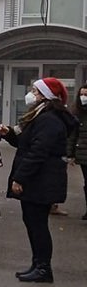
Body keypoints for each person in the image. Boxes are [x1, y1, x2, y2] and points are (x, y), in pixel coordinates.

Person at [0, 77, 77, 283]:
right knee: (32, 222)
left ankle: (43, 268)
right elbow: (27, 144)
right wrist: (9, 134)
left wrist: (19, 178)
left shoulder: (49, 119)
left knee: (38, 224)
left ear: (45, 95)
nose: (30, 93)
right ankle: (37, 264)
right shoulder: (41, 115)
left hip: (42, 180)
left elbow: (38, 152)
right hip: (40, 179)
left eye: (35, 90)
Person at [68, 83, 87, 220]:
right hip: (83, 152)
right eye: (81, 94)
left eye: (86, 94)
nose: (83, 97)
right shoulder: (77, 113)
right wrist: (71, 154)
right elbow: (73, 135)